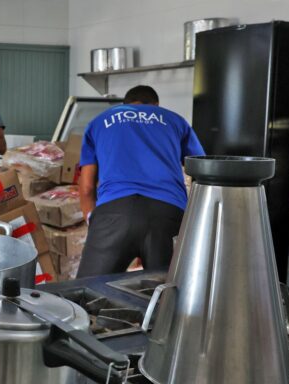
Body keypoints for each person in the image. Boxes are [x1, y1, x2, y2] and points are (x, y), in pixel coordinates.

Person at [76, 85, 205, 277]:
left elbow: (86, 187)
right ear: (156, 105)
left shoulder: (100, 122)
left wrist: (96, 224)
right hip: (168, 213)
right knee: (168, 295)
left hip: (114, 211)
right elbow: (202, 171)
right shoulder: (175, 120)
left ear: (125, 103)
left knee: (85, 293)